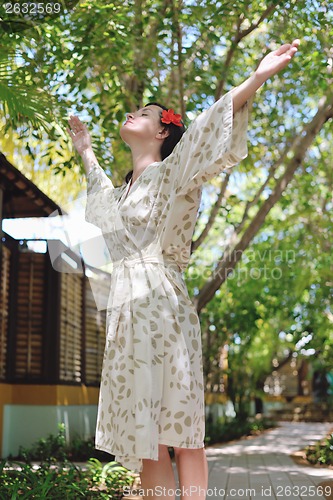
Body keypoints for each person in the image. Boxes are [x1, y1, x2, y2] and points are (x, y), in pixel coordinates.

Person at [68, 39, 300, 499]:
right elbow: (99, 206)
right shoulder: (121, 194)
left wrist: (257, 78)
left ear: (161, 133)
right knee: (147, 438)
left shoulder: (174, 174)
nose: (134, 113)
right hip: (127, 311)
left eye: (146, 112)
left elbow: (204, 129)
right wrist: (86, 151)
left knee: (182, 429)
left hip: (163, 304)